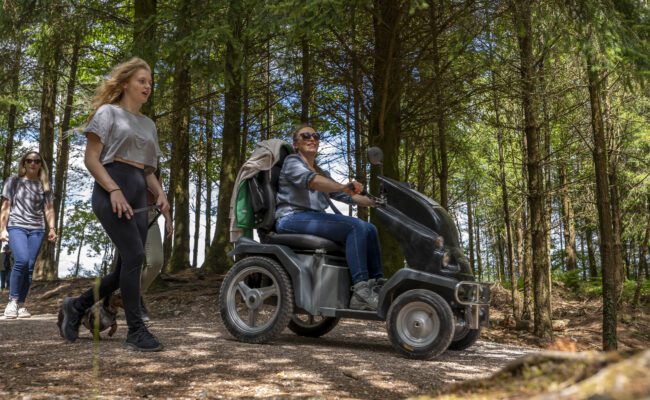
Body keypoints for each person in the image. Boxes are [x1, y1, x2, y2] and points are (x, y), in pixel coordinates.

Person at [58, 57, 170, 352]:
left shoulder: (149, 124)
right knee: (135, 256)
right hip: (112, 189)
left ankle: (76, 305)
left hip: (138, 192)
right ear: (125, 84)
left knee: (126, 267)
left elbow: (147, 170)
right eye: (141, 81)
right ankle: (136, 330)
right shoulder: (107, 113)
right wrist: (115, 190)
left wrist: (161, 194)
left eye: (150, 82)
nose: (148, 86)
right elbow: (91, 159)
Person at [275, 124, 384, 310]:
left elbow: (346, 195)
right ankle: (360, 290)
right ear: (296, 144)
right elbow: (312, 181)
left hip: (312, 218)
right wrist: (343, 186)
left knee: (369, 228)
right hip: (291, 218)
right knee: (355, 226)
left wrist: (376, 202)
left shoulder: (322, 172)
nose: (312, 139)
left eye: (316, 136)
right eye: (306, 136)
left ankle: (376, 285)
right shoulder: (293, 162)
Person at [1, 151, 58, 318]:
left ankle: (21, 305)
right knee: (22, 260)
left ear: (41, 165)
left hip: (37, 229)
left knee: (30, 267)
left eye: (37, 161)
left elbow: (48, 209)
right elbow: (5, 206)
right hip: (16, 226)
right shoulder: (13, 181)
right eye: (29, 160)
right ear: (24, 163)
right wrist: (2, 229)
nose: (33, 163)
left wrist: (52, 228)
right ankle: (12, 301)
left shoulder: (44, 186)